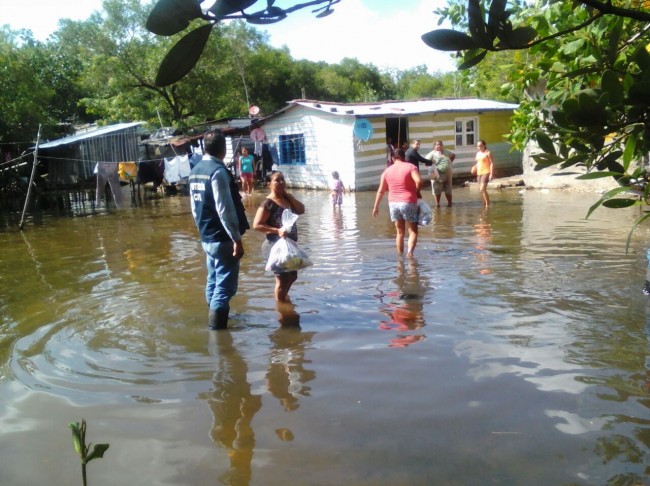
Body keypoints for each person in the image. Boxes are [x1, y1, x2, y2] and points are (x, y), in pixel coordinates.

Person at [189, 130, 249, 330]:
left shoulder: (196, 170)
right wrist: (237, 239)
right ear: (223, 149)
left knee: (213, 281)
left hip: (207, 237)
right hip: (223, 239)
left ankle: (215, 323)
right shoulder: (218, 171)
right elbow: (225, 209)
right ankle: (219, 335)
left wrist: (203, 233)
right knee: (223, 288)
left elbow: (194, 209)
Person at [253, 171, 306, 302]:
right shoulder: (268, 203)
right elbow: (257, 225)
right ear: (269, 184)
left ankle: (283, 299)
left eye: (283, 179)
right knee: (282, 279)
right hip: (274, 246)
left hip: (290, 245)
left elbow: (301, 210)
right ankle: (282, 310)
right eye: (277, 180)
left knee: (292, 276)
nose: (281, 182)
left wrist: (288, 196)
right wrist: (277, 231)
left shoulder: (288, 199)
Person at [372, 149, 423, 257]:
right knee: (413, 230)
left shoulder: (386, 171)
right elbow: (418, 181)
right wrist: (417, 192)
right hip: (408, 201)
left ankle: (400, 257)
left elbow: (381, 190)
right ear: (403, 157)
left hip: (393, 203)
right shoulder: (410, 167)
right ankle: (410, 254)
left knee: (399, 232)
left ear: (392, 158)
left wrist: (376, 206)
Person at [426, 140, 456, 207]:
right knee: (437, 190)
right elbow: (426, 162)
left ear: (442, 145)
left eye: (440, 144)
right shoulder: (432, 154)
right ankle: (437, 204)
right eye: (437, 145)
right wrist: (433, 164)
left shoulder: (446, 152)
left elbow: (453, 156)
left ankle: (449, 203)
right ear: (434, 147)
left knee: (448, 189)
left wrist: (450, 162)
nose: (439, 146)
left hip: (448, 174)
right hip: (437, 174)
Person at [475, 139, 494, 208]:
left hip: (486, 172)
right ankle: (484, 203)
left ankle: (487, 205)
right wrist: (474, 167)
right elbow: (478, 162)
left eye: (481, 146)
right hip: (479, 172)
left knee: (482, 189)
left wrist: (491, 174)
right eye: (478, 146)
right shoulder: (478, 153)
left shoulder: (488, 153)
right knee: (481, 190)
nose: (479, 147)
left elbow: (492, 163)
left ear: (484, 145)